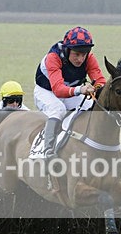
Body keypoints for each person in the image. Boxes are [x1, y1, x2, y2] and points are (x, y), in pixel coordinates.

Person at [34, 26, 106, 158]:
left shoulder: (89, 58)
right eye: (76, 54)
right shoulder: (53, 57)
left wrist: (96, 88)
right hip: (47, 92)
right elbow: (58, 90)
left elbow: (100, 81)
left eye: (83, 55)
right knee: (58, 109)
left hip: (70, 92)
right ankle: (48, 150)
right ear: (67, 50)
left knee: (90, 106)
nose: (80, 59)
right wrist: (81, 89)